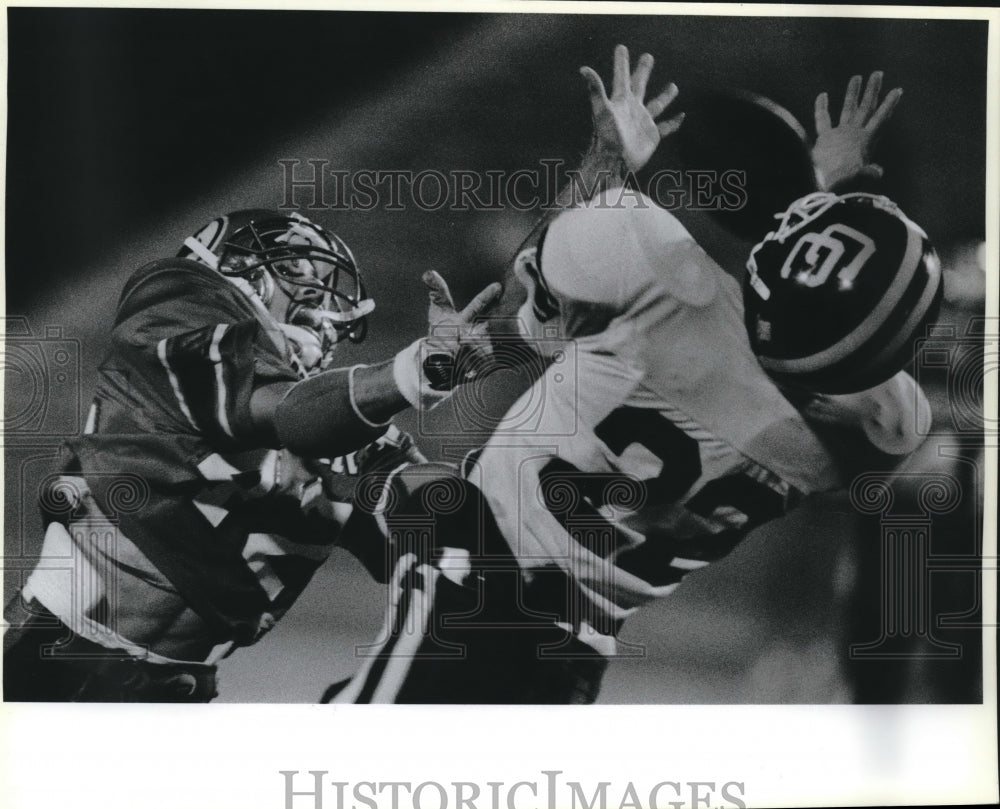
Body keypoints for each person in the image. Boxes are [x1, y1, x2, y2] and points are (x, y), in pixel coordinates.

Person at [328, 47, 939, 704]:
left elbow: (514, 316)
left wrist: (605, 160)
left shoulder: (657, 269)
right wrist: (810, 192)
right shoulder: (881, 432)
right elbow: (823, 334)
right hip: (576, 651)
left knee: (309, 448)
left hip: (479, 579)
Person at [2, 208, 501, 701]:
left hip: (177, 693)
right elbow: (289, 415)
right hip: (48, 659)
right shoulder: (174, 306)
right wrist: (416, 372)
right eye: (295, 270)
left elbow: (441, 518)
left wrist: (506, 478)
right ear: (230, 268)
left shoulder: (346, 430)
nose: (317, 294)